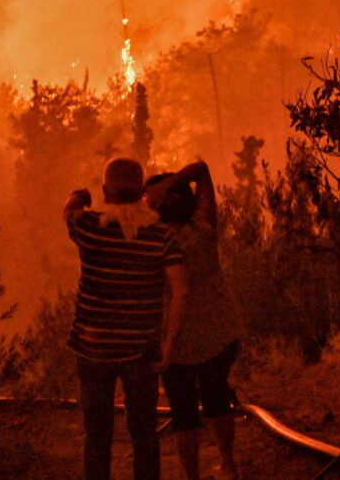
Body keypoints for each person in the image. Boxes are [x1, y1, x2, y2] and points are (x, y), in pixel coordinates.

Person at [64, 157, 189, 480]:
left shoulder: (89, 228)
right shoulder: (161, 235)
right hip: (142, 351)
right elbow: (182, 291)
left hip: (92, 348)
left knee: (97, 436)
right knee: (145, 433)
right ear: (141, 192)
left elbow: (69, 212)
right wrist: (169, 346)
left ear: (106, 190)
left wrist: (79, 195)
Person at [146, 160, 244, 480]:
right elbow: (202, 168)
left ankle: (193, 477)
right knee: (216, 398)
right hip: (218, 330)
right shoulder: (203, 227)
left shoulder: (153, 241)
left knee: (183, 411)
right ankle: (227, 465)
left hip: (175, 340)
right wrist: (171, 183)